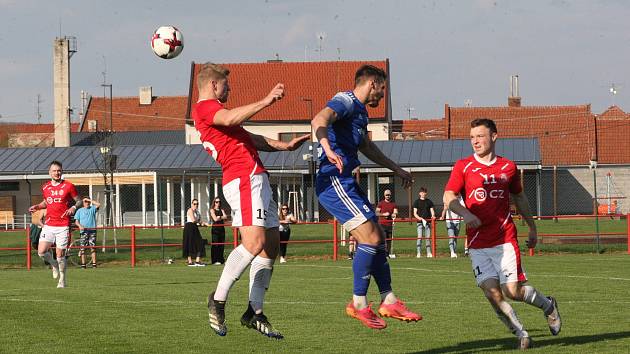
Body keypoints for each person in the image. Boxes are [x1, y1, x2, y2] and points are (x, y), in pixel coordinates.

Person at [192, 62, 309, 339]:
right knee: (253, 243)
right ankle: (218, 300)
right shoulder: (206, 108)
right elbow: (232, 118)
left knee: (270, 247)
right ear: (213, 85)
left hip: (256, 177)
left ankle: (254, 312)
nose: (229, 88)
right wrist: (267, 100)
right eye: (226, 85)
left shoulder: (221, 119)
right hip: (244, 179)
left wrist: (284, 145)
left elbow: (249, 137)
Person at [312, 64, 421, 330]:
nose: (382, 97)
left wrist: (397, 169)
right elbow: (318, 120)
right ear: (372, 83)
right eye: (382, 90)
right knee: (371, 237)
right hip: (333, 179)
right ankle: (359, 303)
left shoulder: (359, 114)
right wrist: (327, 148)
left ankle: (388, 299)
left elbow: (367, 147)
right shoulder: (346, 101)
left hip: (346, 179)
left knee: (378, 237)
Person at [443, 118, 561, 349]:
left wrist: (532, 227)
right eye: (472, 137)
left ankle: (548, 305)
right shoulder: (463, 166)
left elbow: (520, 197)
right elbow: (448, 196)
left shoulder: (508, 167)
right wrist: (465, 214)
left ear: (494, 137)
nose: (475, 141)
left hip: (505, 240)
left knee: (512, 291)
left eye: (480, 136)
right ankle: (522, 334)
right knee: (492, 293)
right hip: (477, 243)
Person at [28, 160, 81, 288]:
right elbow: (47, 202)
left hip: (63, 225)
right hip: (49, 224)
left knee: (60, 255)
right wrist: (37, 206)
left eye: (59, 170)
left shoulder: (68, 186)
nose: (57, 173)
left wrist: (73, 208)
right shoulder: (45, 187)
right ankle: (53, 264)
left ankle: (62, 280)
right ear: (49, 172)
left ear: (61, 171)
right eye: (54, 171)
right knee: (41, 252)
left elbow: (79, 201)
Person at [74, 197, 101, 268]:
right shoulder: (79, 210)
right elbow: (76, 221)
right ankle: (83, 265)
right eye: (85, 202)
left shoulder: (92, 209)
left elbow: (98, 204)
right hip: (84, 231)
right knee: (83, 248)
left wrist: (90, 200)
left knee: (93, 247)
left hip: (92, 230)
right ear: (83, 203)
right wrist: (80, 226)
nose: (87, 203)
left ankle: (94, 264)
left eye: (88, 202)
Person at [183, 199, 208, 267]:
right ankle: (190, 261)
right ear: (192, 204)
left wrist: (203, 224)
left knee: (200, 242)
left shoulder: (197, 212)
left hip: (195, 228)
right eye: (194, 204)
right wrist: (201, 223)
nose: (195, 205)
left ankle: (197, 260)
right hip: (189, 228)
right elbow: (193, 220)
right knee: (189, 243)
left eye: (197, 204)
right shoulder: (190, 210)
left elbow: (198, 221)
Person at [413, 187, 436, 258]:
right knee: (419, 237)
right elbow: (415, 213)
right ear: (419, 193)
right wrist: (419, 218)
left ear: (426, 193)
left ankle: (429, 253)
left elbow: (432, 211)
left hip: (427, 222)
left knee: (427, 238)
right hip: (419, 222)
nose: (423, 194)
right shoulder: (416, 202)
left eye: (424, 192)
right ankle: (418, 253)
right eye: (422, 192)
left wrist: (433, 216)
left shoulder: (429, 202)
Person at [375, 189, 398, 258]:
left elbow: (395, 212)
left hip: (390, 224)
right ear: (384, 195)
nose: (388, 196)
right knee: (383, 240)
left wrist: (394, 214)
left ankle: (387, 253)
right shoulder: (381, 203)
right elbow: (376, 213)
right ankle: (382, 253)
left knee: (389, 240)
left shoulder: (393, 204)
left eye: (389, 195)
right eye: (386, 195)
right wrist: (383, 214)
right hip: (382, 224)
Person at [210, 198, 229, 265]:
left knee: (221, 244)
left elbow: (226, 217)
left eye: (219, 202)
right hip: (215, 229)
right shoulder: (212, 210)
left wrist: (219, 217)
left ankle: (221, 260)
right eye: (216, 202)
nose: (218, 203)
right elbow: (215, 219)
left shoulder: (222, 210)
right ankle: (214, 260)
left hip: (221, 228)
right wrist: (220, 217)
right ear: (214, 202)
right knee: (216, 244)